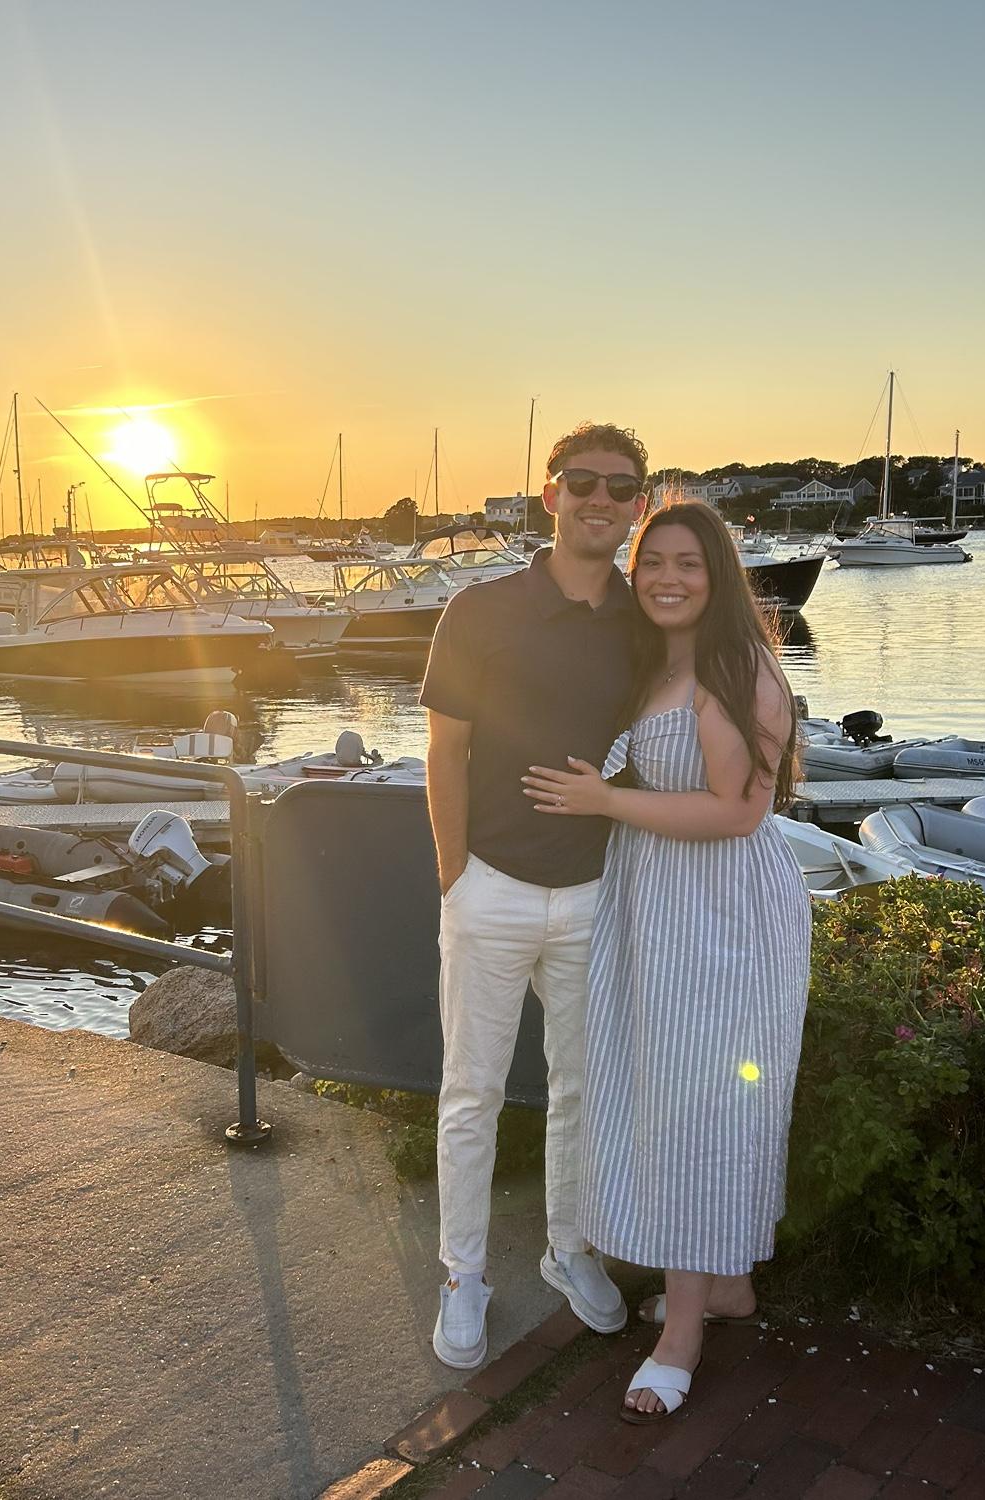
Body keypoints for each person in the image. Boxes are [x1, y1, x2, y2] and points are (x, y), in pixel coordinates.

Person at [522, 500, 810, 1422]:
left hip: (721, 911)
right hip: (658, 903)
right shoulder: (661, 663)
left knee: (696, 1104)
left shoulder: (740, 668)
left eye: (689, 563)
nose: (668, 579)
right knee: (673, 1093)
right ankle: (725, 1286)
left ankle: (680, 1335)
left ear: (718, 574)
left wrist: (605, 803)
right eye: (653, 563)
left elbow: (738, 811)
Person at [420, 422, 648, 1369]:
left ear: (638, 506)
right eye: (582, 482)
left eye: (621, 488)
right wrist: (456, 878)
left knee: (583, 1090)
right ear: (551, 494)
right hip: (492, 887)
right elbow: (446, 751)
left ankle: (569, 1248)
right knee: (470, 1092)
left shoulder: (646, 622)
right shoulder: (479, 610)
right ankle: (463, 1275)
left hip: (596, 894)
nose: (601, 499)